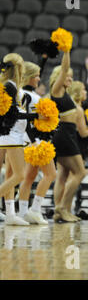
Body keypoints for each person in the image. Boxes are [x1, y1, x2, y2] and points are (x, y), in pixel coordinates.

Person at [51, 45, 88, 222]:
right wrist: (66, 51)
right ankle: (61, 207)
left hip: (66, 135)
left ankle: (61, 211)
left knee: (63, 175)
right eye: (68, 77)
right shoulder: (56, 91)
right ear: (60, 78)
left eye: (71, 77)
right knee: (80, 173)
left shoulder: (65, 94)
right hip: (65, 135)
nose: (70, 79)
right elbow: (64, 68)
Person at [16, 61, 56, 225]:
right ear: (29, 78)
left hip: (29, 141)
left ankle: (23, 212)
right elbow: (26, 121)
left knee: (29, 177)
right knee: (51, 174)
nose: (39, 79)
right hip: (34, 141)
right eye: (37, 76)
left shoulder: (24, 94)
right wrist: (35, 141)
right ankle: (35, 210)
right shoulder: (28, 96)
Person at [0, 53, 29, 225]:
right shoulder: (10, 86)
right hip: (11, 135)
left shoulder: (7, 85)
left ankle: (10, 215)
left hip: (10, 135)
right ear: (19, 68)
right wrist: (33, 115)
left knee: (12, 174)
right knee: (19, 175)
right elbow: (10, 113)